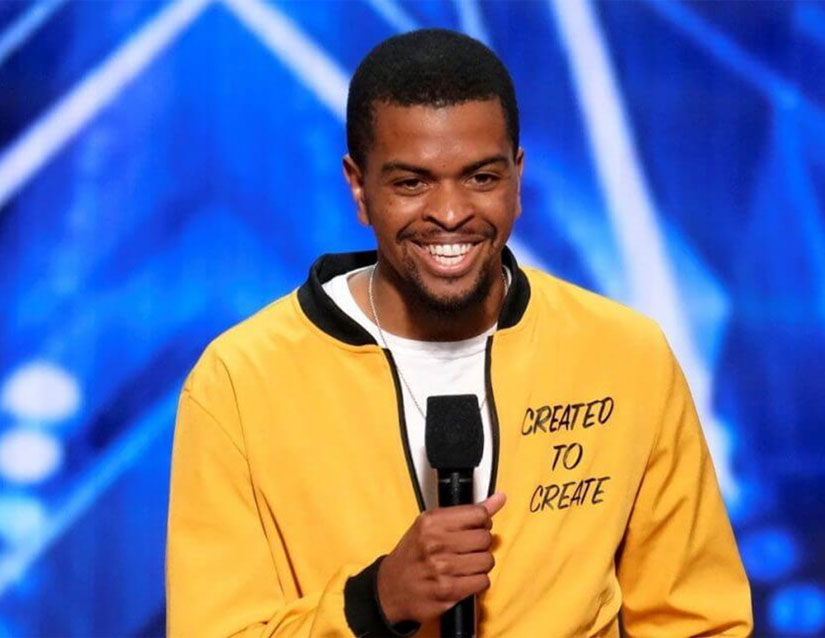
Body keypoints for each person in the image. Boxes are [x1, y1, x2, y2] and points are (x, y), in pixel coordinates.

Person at [166, 28, 753, 638]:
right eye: (411, 183)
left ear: (517, 178)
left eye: (480, 178)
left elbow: (699, 622)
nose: (450, 213)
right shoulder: (239, 382)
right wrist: (373, 601)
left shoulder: (625, 357)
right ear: (359, 187)